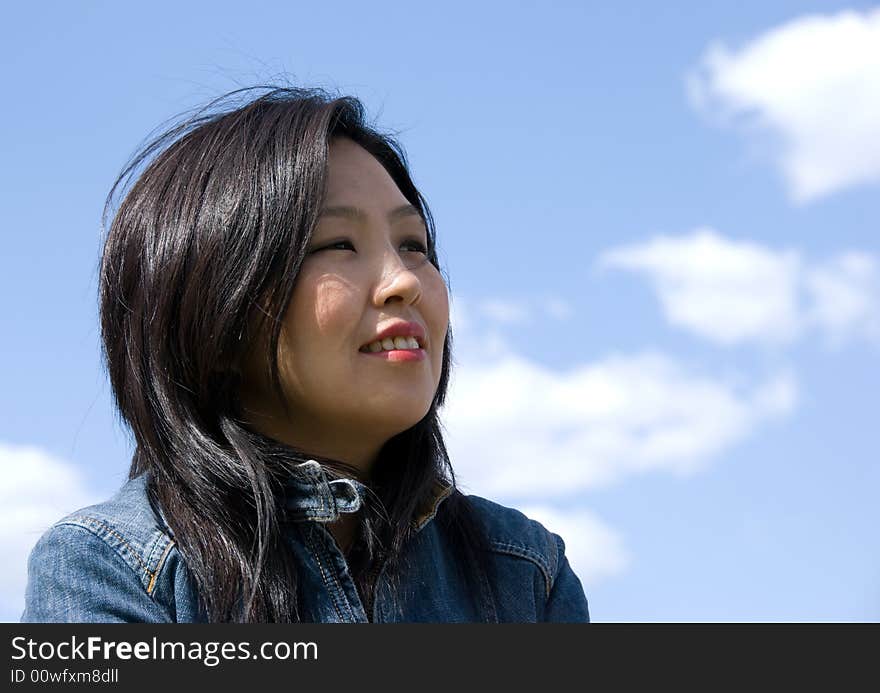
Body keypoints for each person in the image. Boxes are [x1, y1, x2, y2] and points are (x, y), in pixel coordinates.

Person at [21, 87, 590, 623]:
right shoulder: (106, 568)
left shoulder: (525, 570)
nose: (404, 281)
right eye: (338, 244)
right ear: (214, 318)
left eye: (413, 245)